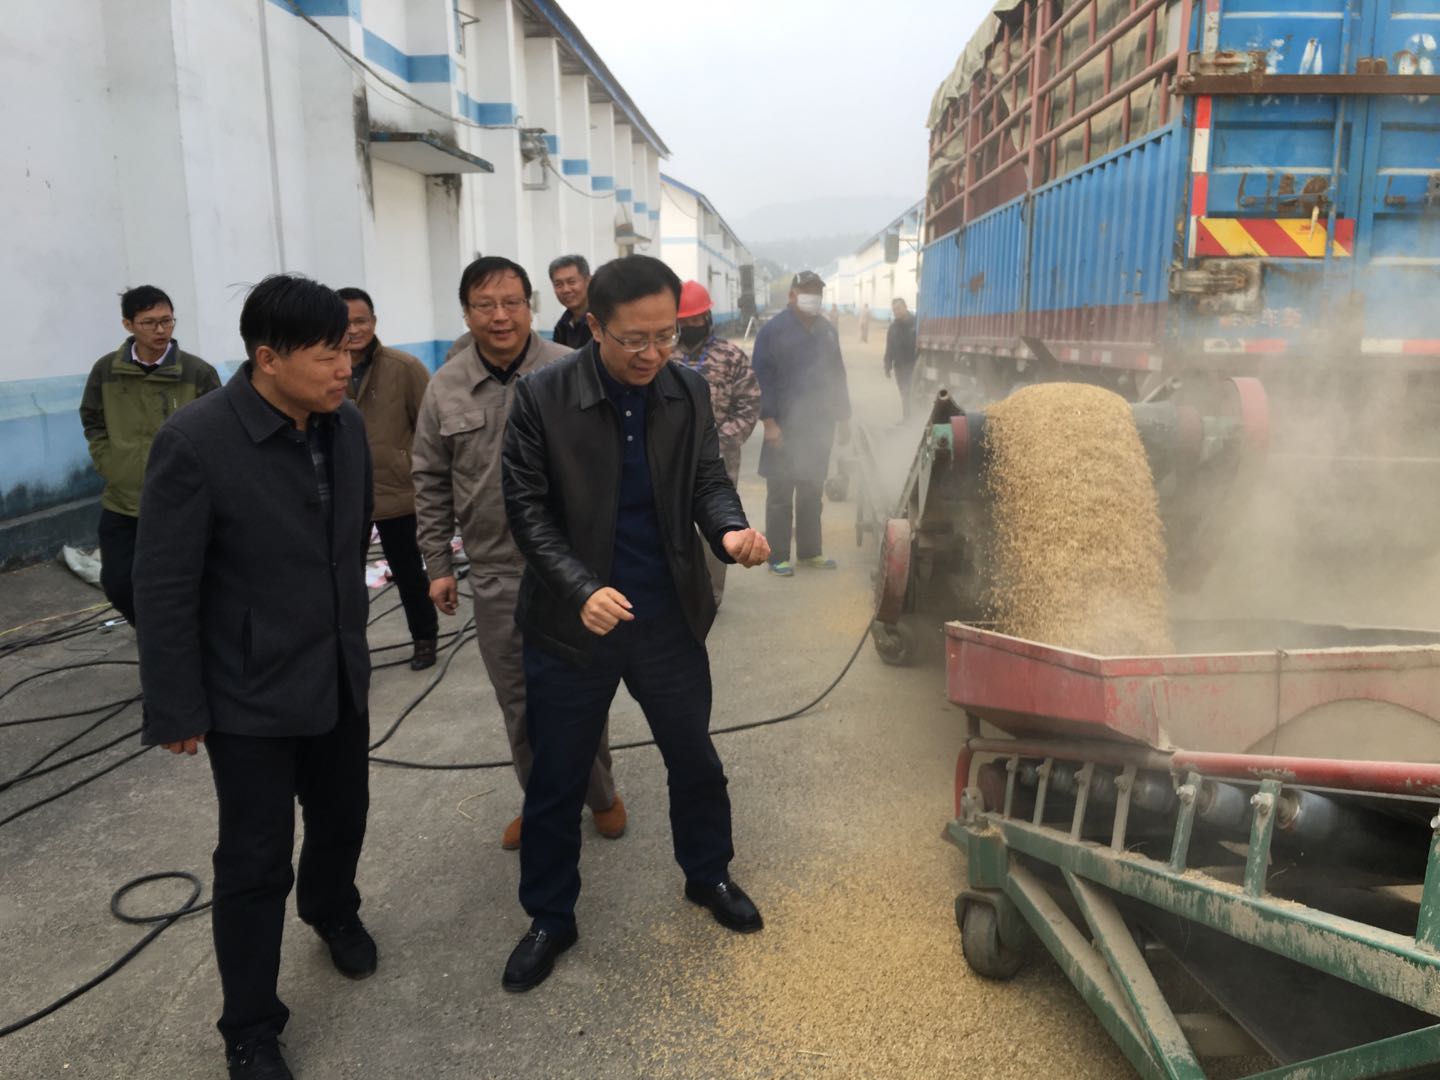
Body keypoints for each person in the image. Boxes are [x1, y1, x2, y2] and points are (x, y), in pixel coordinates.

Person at [499, 254, 772, 992]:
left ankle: (708, 874)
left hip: (664, 614)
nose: (654, 354)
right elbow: (526, 510)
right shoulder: (542, 398)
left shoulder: (686, 389)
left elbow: (708, 480)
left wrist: (729, 531)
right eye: (635, 339)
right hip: (572, 624)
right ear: (594, 327)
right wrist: (579, 589)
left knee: (694, 758)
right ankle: (550, 915)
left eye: (666, 335)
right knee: (558, 776)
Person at [133, 275, 376, 1080]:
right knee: (254, 861)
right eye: (327, 354)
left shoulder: (344, 426)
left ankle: (332, 910)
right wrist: (176, 705)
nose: (344, 366)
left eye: (346, 349)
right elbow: (164, 585)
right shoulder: (196, 441)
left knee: (342, 818)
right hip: (249, 693)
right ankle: (250, 1027)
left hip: (336, 671)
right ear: (268, 359)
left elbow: (350, 540)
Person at [413, 256, 625, 852]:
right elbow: (429, 479)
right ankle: (543, 804)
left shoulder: (573, 368)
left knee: (579, 690)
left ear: (531, 306)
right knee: (519, 700)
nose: (500, 316)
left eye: (512, 302)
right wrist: (437, 565)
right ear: (466, 313)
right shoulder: (445, 386)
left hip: (571, 569)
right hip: (496, 571)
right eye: (485, 305)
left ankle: (601, 794)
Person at [79, 285, 220, 626]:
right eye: (149, 322)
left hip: (181, 502)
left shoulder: (197, 373)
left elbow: (219, 431)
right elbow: (92, 419)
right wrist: (110, 463)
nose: (160, 330)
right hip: (124, 502)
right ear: (128, 324)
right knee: (119, 584)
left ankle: (183, 643)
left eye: (167, 321)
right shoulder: (106, 371)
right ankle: (157, 638)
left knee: (189, 585)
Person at [336, 287, 439, 670]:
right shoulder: (325, 368)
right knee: (345, 581)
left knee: (409, 572)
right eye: (345, 323)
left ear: (374, 322)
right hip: (346, 495)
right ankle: (349, 650)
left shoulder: (404, 367)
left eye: (361, 321)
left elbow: (430, 427)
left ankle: (425, 638)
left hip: (398, 492)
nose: (354, 330)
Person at [750, 270, 852, 577]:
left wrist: (843, 417)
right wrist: (769, 423)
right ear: (792, 295)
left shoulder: (827, 331)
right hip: (784, 426)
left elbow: (838, 374)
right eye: (807, 290)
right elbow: (761, 380)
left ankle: (810, 552)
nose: (813, 297)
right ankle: (778, 556)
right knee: (781, 494)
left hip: (819, 427)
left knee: (811, 492)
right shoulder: (773, 331)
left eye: (817, 291)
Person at [672, 280, 761, 605]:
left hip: (720, 458)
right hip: (670, 457)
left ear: (708, 318)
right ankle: (677, 590)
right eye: (686, 320)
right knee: (672, 522)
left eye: (698, 319)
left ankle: (711, 595)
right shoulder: (663, 356)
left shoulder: (730, 355)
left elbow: (749, 403)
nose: (693, 325)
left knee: (718, 525)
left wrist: (723, 440)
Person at [884, 297, 918, 421]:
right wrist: (887, 365)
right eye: (894, 310)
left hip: (912, 365)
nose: (896, 312)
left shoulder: (916, 323)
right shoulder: (893, 327)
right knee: (904, 392)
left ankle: (913, 417)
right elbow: (889, 347)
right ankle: (907, 417)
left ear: (905, 307)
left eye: (898, 308)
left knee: (911, 392)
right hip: (899, 366)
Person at [549, 254, 593, 350]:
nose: (566, 290)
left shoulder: (603, 320)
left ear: (588, 281)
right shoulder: (561, 327)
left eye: (571, 282)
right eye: (558, 284)